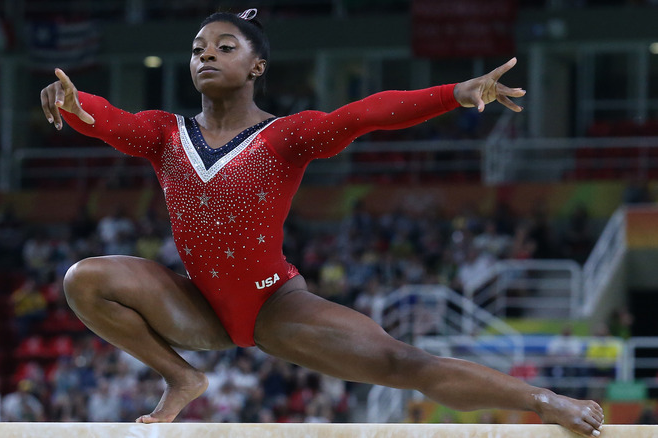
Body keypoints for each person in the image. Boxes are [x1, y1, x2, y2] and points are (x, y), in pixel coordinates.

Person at [40, 9, 604, 437]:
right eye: (197, 48)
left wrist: (453, 94)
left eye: (224, 47)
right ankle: (182, 378)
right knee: (84, 279)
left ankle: (544, 402)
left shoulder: (286, 136)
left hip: (275, 308)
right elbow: (108, 120)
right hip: (197, 306)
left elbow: (364, 115)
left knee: (403, 362)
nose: (205, 56)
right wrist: (71, 100)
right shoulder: (166, 134)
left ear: (256, 66)